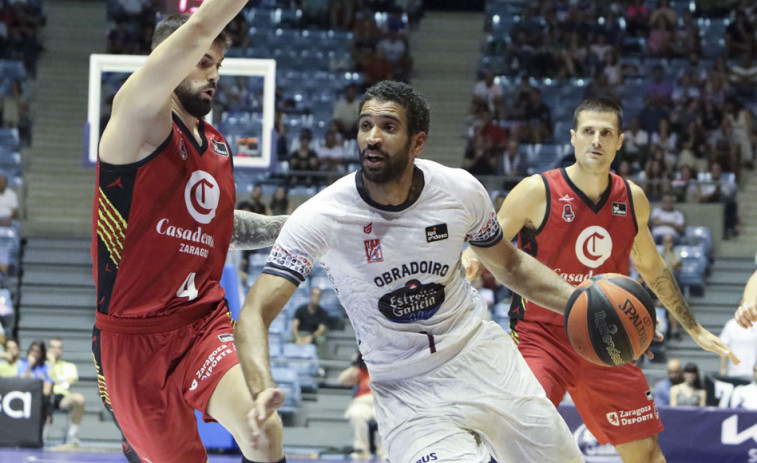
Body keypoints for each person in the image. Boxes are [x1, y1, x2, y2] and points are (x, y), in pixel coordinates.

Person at [235, 81, 583, 463]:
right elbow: (255, 311)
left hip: (481, 358)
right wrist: (261, 385)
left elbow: (510, 265)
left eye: (388, 127)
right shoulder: (322, 216)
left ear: (417, 143)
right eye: (365, 125)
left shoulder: (460, 190)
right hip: (405, 389)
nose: (372, 137)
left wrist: (581, 301)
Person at [467, 97, 737, 463]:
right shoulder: (536, 190)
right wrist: (468, 259)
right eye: (589, 132)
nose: (597, 140)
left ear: (620, 142)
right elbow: (487, 244)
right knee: (519, 440)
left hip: (606, 339)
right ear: (573, 137)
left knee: (646, 454)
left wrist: (693, 327)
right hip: (540, 338)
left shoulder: (633, 199)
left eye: (606, 133)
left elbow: (653, 268)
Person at [91, 4, 289, 462]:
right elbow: (200, 24)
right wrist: (204, 28)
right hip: (132, 337)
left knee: (264, 432)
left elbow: (222, 226)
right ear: (171, 57)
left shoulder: (217, 145)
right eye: (203, 61)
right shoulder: (137, 120)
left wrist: (298, 227)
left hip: (201, 322)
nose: (214, 74)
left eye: (218, 65)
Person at [338, 352, 386, 461]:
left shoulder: (383, 370)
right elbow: (342, 380)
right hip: (362, 402)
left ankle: (384, 451)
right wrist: (355, 364)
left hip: (380, 402)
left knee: (386, 417)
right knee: (356, 415)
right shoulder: (359, 371)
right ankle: (361, 450)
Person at [47, 337, 85, 445]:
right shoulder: (42, 364)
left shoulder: (70, 366)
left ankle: (72, 435)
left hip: (61, 398)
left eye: (59, 347)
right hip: (44, 396)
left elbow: (68, 383)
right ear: (48, 349)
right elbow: (46, 378)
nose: (56, 350)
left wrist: (58, 379)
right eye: (53, 347)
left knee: (79, 399)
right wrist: (52, 363)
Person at [291, 287, 328, 354]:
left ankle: (319, 363)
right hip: (300, 333)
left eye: (318, 296)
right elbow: (294, 326)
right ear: (310, 296)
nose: (316, 298)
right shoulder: (300, 309)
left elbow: (321, 329)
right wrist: (297, 337)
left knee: (321, 340)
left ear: (320, 298)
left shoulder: (323, 312)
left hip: (313, 335)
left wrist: (311, 337)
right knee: (289, 340)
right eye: (314, 295)